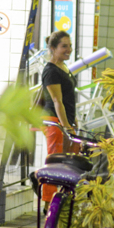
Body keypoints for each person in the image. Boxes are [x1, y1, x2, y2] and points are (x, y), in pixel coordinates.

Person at [38, 30, 77, 203]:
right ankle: (49, 206)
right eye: (64, 46)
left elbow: (68, 99)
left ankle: (63, 200)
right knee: (54, 163)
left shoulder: (64, 67)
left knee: (68, 161)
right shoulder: (51, 71)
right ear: (53, 48)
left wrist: (72, 122)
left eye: (70, 46)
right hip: (54, 122)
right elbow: (57, 101)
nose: (69, 50)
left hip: (64, 122)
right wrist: (66, 126)